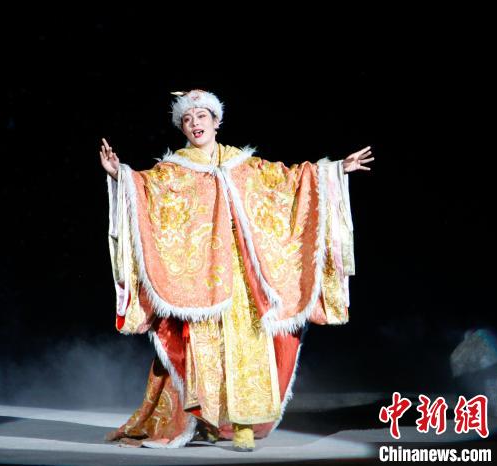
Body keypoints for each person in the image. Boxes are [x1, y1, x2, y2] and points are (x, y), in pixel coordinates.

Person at [99, 89, 373, 451]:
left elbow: (289, 182)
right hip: (202, 279)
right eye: (187, 119)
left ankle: (243, 424)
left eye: (201, 116)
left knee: (247, 346)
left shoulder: (243, 165)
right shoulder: (174, 170)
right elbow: (145, 190)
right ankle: (210, 421)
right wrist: (119, 174)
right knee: (204, 349)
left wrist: (336, 169)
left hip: (242, 279)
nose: (195, 123)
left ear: (216, 121)